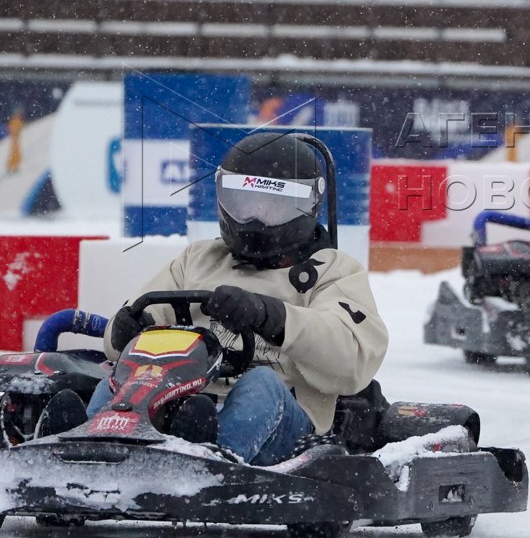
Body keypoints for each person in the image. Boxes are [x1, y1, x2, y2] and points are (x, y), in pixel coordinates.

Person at [81, 132, 389, 464]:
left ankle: (214, 462)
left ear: (308, 205)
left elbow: (353, 360)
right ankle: (88, 447)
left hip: (281, 424)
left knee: (261, 383)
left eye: (272, 207)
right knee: (118, 379)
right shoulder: (198, 259)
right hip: (185, 404)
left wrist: (272, 317)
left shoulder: (334, 271)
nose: (256, 219)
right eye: (244, 204)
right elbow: (122, 339)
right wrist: (126, 330)